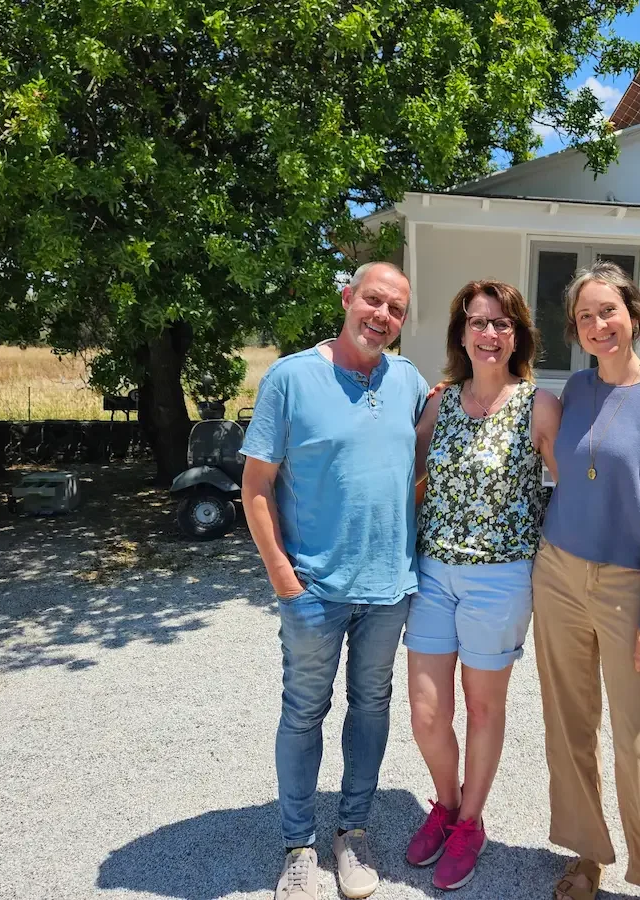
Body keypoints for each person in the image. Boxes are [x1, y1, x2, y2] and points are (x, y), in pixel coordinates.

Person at [240, 261, 429, 900]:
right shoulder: (292, 378)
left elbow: (419, 469)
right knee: (304, 712)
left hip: (389, 589)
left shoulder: (408, 382)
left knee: (371, 708)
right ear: (347, 299)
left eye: (396, 309)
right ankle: (298, 846)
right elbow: (256, 484)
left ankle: (353, 832)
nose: (382, 316)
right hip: (314, 591)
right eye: (373, 301)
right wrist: (282, 575)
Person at [532, 260, 640, 900]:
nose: (598, 324)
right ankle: (587, 859)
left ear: (632, 313)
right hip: (559, 575)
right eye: (585, 316)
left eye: (609, 311)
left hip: (630, 586)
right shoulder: (574, 390)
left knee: (638, 744)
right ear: (575, 330)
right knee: (569, 729)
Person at [404, 280, 561, 891]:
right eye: (478, 322)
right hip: (433, 573)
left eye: (502, 324)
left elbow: (575, 488)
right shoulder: (440, 404)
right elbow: (406, 478)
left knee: (482, 706)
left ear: (517, 335)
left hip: (501, 577)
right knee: (425, 712)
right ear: (461, 332)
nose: (489, 334)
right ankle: (445, 803)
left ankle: (471, 821)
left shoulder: (538, 407)